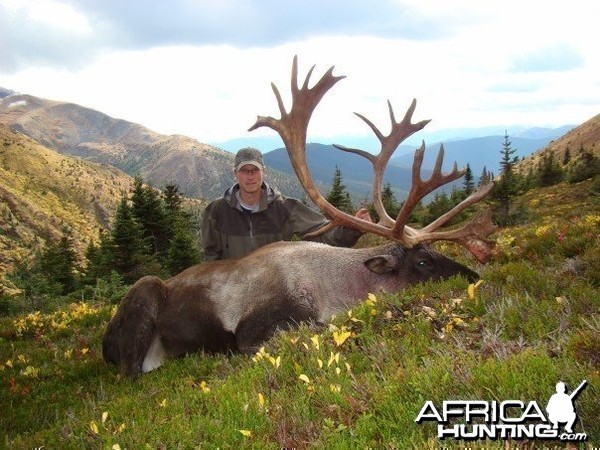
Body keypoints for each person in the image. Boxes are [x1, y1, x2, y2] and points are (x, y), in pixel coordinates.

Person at [201, 147, 372, 261]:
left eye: (255, 170)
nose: (250, 176)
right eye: (244, 171)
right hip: (233, 288)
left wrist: (353, 228)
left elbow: (323, 234)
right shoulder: (217, 210)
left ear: (263, 172)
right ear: (235, 173)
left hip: (274, 288)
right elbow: (210, 256)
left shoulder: (285, 208)